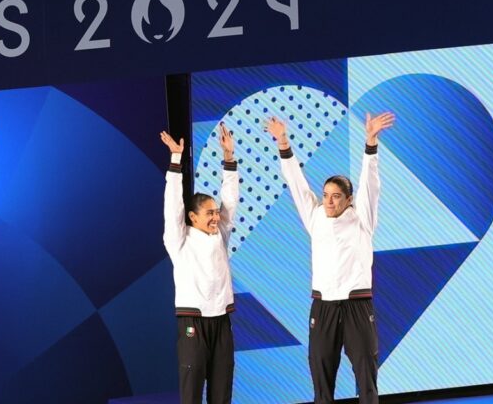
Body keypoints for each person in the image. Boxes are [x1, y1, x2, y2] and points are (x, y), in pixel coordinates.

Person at [265, 112, 395, 404]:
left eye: (336, 196)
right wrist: (283, 142)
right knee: (322, 382)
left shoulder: (362, 218)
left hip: (357, 306)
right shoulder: (315, 217)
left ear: (348, 199)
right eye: (325, 195)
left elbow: (370, 185)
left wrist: (370, 143)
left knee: (366, 378)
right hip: (322, 307)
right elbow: (297, 183)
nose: (329, 200)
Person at [161, 123, 239, 404]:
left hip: (221, 323)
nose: (215, 217)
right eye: (208, 213)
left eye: (216, 213)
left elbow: (230, 200)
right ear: (193, 217)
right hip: (193, 322)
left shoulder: (221, 233)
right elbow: (173, 209)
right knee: (192, 394)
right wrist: (175, 161)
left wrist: (229, 159)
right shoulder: (179, 241)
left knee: (221, 394)